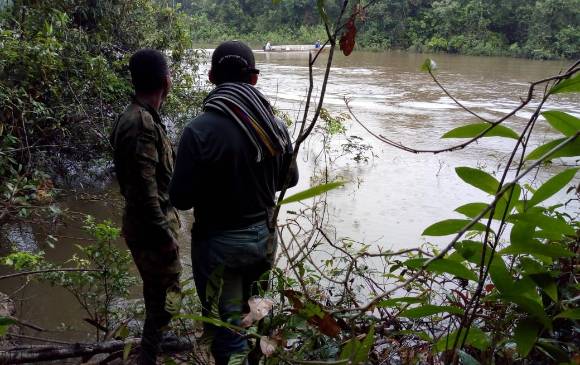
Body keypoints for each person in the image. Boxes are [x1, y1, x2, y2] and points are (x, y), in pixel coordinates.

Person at [169, 40, 298, 364]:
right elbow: (290, 179)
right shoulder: (275, 127)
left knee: (227, 335)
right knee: (255, 318)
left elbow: (180, 199)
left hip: (219, 247)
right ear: (254, 78)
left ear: (211, 77)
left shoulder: (197, 132)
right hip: (263, 241)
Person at [110, 49, 181, 365]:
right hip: (152, 231)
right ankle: (149, 357)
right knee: (163, 302)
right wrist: (165, 237)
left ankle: (153, 350)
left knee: (161, 299)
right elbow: (144, 189)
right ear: (166, 81)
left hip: (147, 227)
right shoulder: (141, 123)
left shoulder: (139, 117)